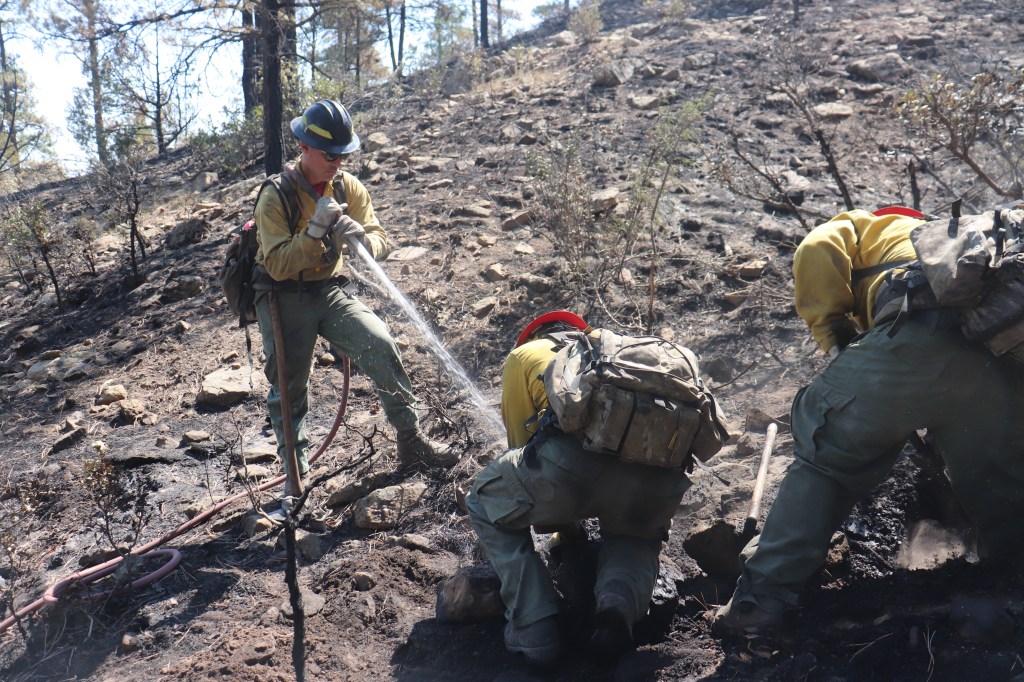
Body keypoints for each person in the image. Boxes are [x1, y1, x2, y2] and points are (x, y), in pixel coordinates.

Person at [713, 207, 1024, 636]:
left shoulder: (862, 226)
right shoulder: (968, 255)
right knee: (998, 482)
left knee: (828, 458)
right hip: (999, 373)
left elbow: (815, 248)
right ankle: (1012, 591)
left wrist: (833, 339)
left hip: (917, 334)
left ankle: (758, 603)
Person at [252, 99, 456, 512]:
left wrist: (360, 237)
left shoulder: (348, 187)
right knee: (289, 388)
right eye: (331, 155)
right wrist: (315, 230)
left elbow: (381, 241)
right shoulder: (275, 196)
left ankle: (411, 440)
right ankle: (295, 481)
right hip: (283, 298)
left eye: (345, 154)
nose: (338, 162)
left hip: (328, 292)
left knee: (379, 343)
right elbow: (275, 263)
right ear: (303, 146)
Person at [466, 312, 695, 665]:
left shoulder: (525, 356)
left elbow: (523, 450)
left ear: (533, 335)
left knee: (484, 499)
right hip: (657, 480)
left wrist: (562, 528)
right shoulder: (617, 352)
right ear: (578, 329)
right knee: (634, 537)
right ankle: (617, 603)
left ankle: (534, 627)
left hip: (572, 470)